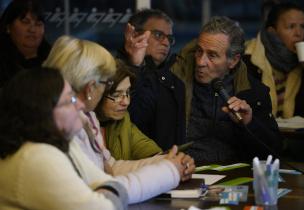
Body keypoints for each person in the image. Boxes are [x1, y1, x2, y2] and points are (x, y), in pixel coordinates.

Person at [43, 35, 195, 204]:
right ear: (89, 87)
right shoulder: (61, 127)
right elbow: (102, 193)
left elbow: (109, 168)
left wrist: (167, 161)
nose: (105, 88)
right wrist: (169, 171)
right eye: (106, 83)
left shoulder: (86, 116)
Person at [0, 67, 128, 210]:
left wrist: (107, 190)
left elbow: (110, 184)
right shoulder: (37, 156)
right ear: (44, 112)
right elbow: (107, 207)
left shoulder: (55, 144)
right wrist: (110, 192)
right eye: (69, 100)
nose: (79, 104)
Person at [171, 16, 282, 162]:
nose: (200, 62)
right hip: (182, 170)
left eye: (212, 55)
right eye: (199, 51)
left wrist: (249, 123)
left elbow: (271, 154)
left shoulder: (254, 92)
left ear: (233, 61)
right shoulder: (173, 81)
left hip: (234, 176)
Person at [117, 9, 186, 151]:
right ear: (135, 35)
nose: (166, 42)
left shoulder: (175, 83)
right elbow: (133, 120)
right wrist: (135, 67)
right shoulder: (114, 74)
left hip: (169, 165)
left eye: (170, 38)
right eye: (159, 35)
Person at [244, 2, 304, 121]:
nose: (298, 33)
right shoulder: (248, 61)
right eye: (291, 27)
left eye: (302, 26)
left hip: (296, 137)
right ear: (273, 32)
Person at [95, 63, 163, 160]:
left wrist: (167, 159)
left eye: (127, 92)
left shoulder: (123, 121)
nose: (126, 102)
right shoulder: (80, 128)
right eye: (116, 95)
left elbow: (146, 148)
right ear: (97, 95)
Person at [0, 0, 51, 87]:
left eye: (38, 24)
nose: (32, 30)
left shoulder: (54, 58)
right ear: (8, 27)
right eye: (25, 22)